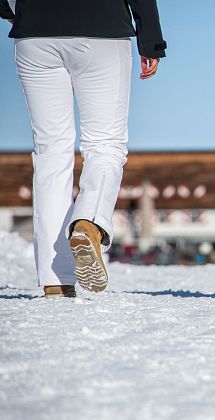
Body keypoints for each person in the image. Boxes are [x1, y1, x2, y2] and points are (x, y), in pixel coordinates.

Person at [0, 0, 166, 298]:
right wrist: (151, 41)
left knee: (50, 152)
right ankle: (89, 222)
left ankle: (56, 278)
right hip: (102, 29)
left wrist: (16, 12)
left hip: (34, 33)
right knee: (105, 144)